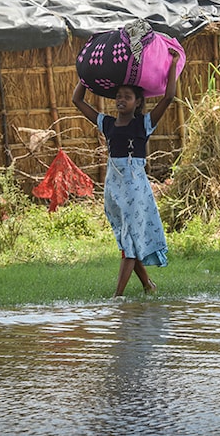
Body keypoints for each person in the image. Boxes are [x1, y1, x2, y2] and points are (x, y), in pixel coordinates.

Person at [72, 49, 180, 297]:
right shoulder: (107, 124)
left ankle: (117, 297)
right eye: (118, 96)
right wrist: (87, 75)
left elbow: (169, 97)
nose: (121, 100)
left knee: (130, 243)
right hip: (114, 188)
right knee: (128, 239)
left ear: (138, 102)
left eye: (127, 97)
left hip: (135, 187)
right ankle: (147, 285)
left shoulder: (143, 124)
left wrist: (173, 64)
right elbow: (77, 101)